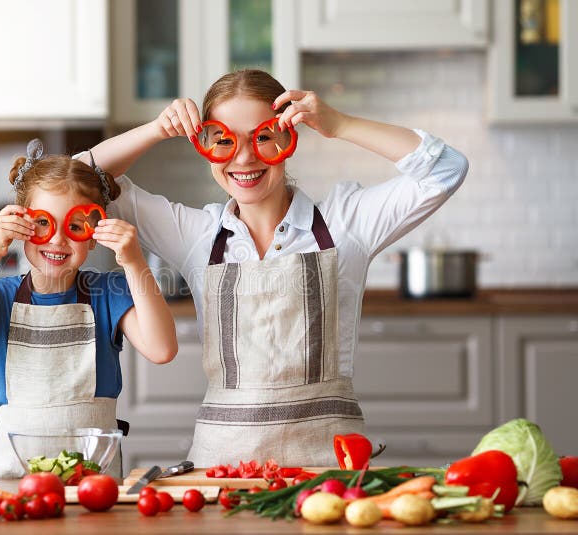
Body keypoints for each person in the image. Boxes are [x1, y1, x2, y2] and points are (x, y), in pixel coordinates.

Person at [82, 69, 468, 467]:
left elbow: (447, 168)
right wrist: (156, 130)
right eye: (224, 140)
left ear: (288, 138)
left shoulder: (345, 225)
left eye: (263, 137)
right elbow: (80, 177)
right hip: (221, 472)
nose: (244, 157)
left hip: (328, 471)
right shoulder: (196, 235)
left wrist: (340, 124)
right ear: (206, 145)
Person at [0, 139, 179, 478]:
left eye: (76, 226)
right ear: (21, 225)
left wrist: (134, 262)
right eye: (43, 223)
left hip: (95, 483)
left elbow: (162, 349)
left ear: (94, 234)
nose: (58, 239)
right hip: (14, 481)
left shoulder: (108, 292)